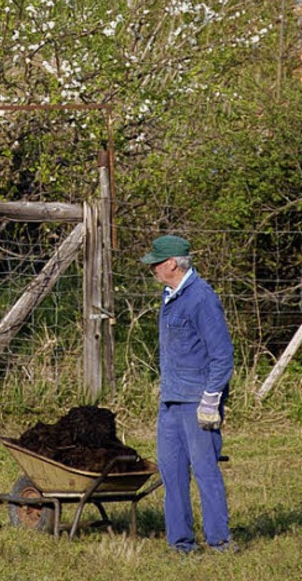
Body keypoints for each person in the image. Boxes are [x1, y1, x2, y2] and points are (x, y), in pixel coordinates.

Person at [141, 234, 234, 555]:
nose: (152, 268)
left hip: (197, 403)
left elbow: (222, 355)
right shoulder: (171, 296)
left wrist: (211, 399)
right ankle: (182, 544)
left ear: (171, 264)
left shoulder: (202, 299)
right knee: (172, 473)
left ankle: (220, 541)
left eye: (156, 263)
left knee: (205, 471)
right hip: (170, 401)